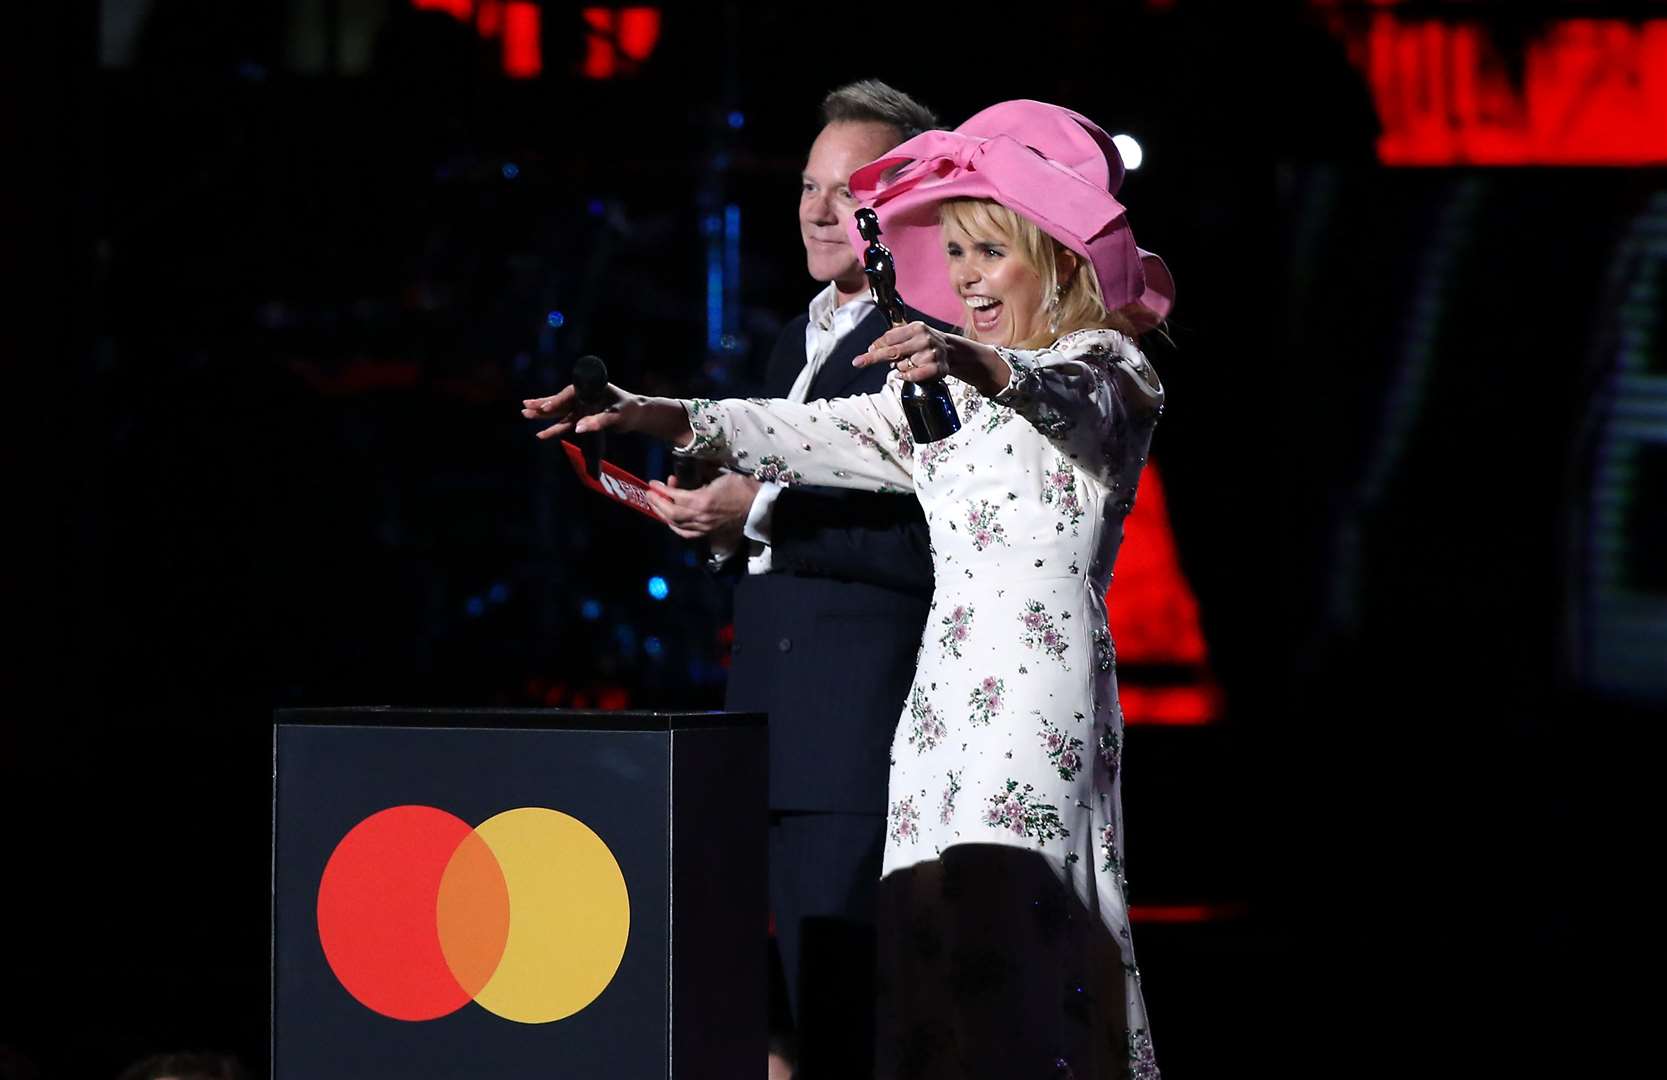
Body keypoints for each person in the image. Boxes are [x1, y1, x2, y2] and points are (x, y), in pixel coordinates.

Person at [524, 99, 1173, 1079]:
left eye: (986, 252)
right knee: (926, 957)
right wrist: (640, 411)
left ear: (1050, 257)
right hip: (935, 711)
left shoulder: (1110, 370)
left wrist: (972, 358)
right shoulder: (939, 391)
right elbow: (796, 434)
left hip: (1033, 702)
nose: (961, 277)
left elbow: (1059, 396)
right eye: (951, 253)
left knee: (1020, 953)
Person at [641, 80, 945, 1077]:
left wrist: (757, 507)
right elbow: (784, 499)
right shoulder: (794, 335)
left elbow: (930, 542)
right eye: (807, 187)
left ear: (905, 206)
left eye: (844, 190)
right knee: (768, 1013)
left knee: (851, 1005)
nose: (818, 211)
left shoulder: (930, 349)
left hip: (860, 732)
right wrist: (717, 517)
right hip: (766, 721)